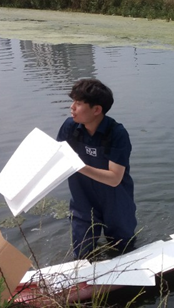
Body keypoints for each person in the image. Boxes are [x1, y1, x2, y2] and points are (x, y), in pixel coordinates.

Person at [57, 79, 137, 259]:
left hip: (116, 201)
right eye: (73, 102)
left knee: (124, 251)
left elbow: (114, 178)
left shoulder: (116, 134)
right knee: (83, 254)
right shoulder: (70, 127)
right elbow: (56, 159)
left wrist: (77, 165)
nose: (72, 108)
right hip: (82, 199)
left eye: (78, 103)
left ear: (97, 110)